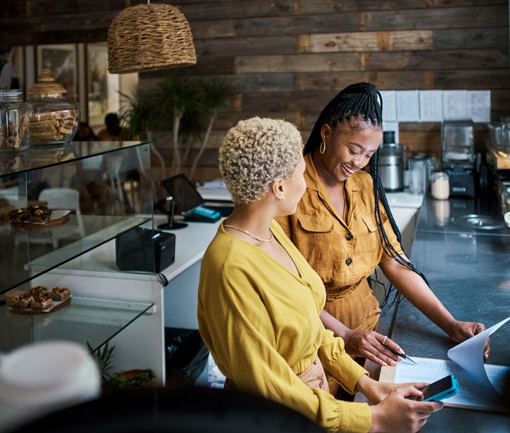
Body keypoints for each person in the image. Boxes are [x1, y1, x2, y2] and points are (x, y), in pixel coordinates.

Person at [197, 117, 443, 433]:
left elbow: (309, 328)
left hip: (311, 405)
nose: (307, 182)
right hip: (276, 418)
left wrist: (367, 385)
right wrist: (374, 420)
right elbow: (270, 387)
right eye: (302, 173)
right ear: (280, 187)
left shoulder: (268, 230)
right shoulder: (230, 266)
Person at [276, 82, 489, 371]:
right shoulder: (289, 187)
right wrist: (345, 335)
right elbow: (283, 287)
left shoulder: (364, 185)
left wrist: (451, 325)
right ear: (326, 133)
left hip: (368, 331)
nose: (359, 162)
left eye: (369, 154)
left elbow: (396, 263)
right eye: (354, 149)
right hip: (312, 339)